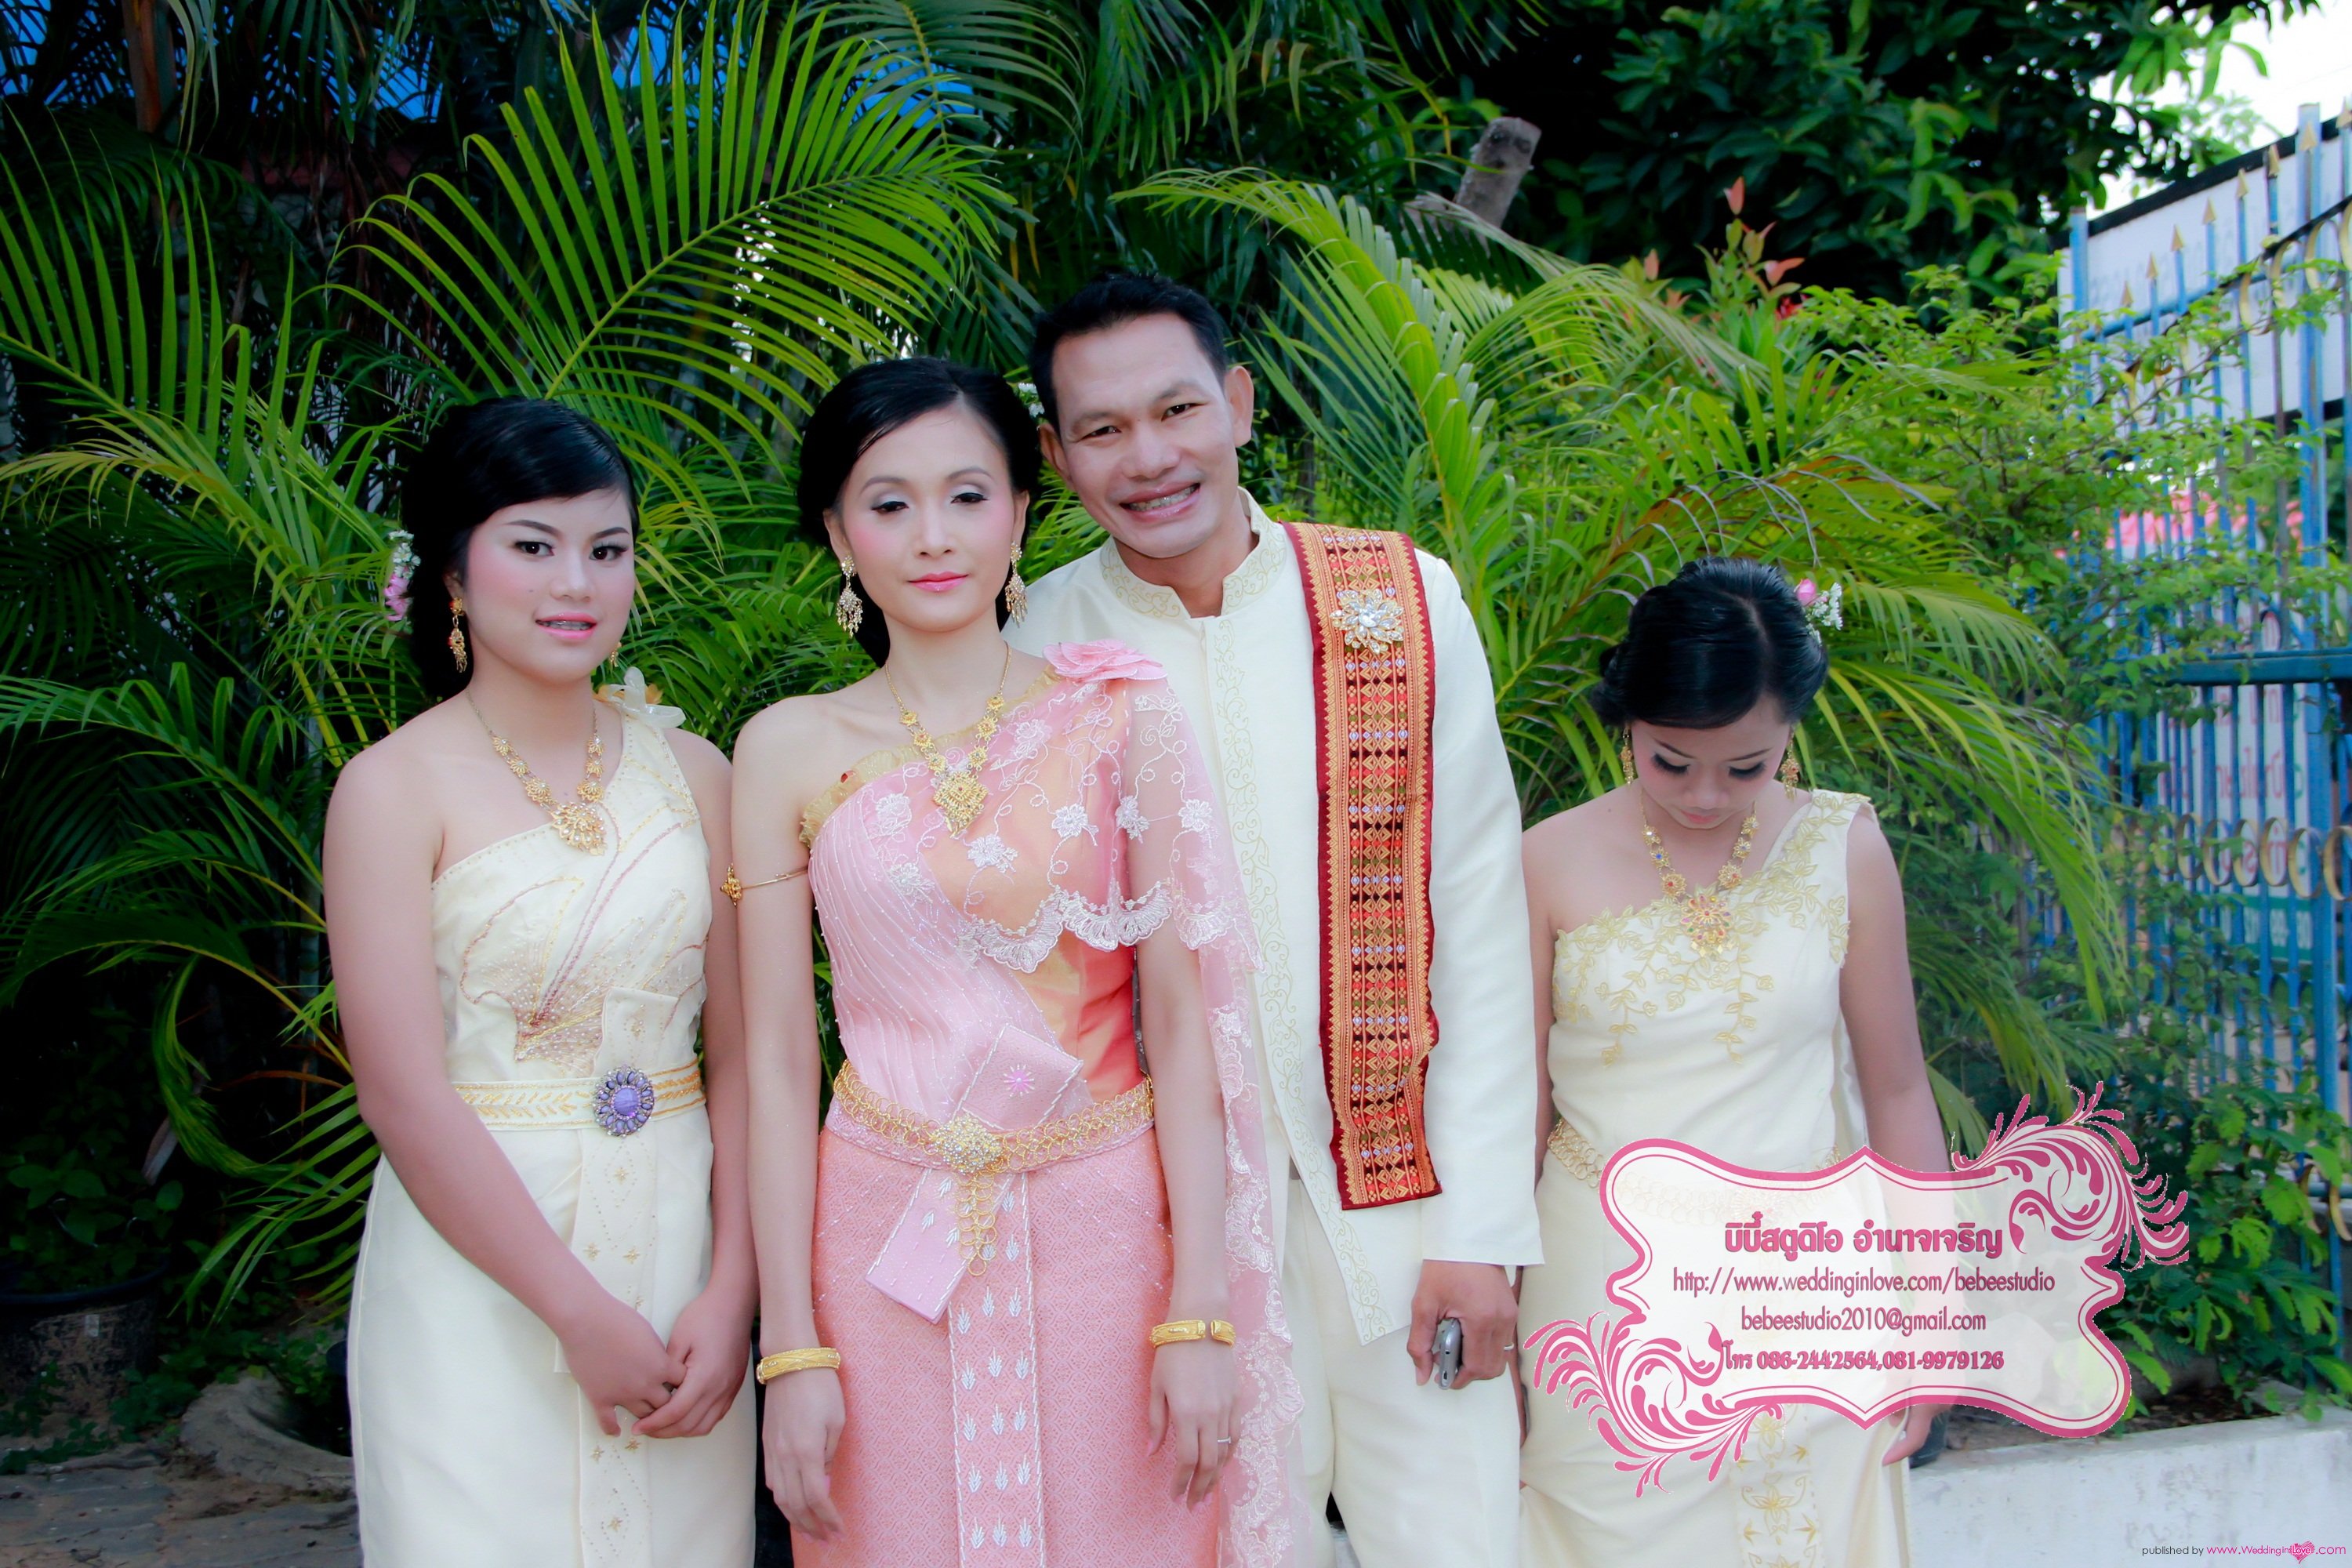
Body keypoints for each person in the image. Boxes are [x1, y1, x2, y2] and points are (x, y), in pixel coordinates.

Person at [1007, 274, 1540, 1568]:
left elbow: (1478, 917)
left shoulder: (1399, 597)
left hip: (1407, 1209)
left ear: (1239, 405)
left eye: (1178, 409)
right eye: (1103, 430)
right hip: (1174, 1245)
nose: (1150, 458)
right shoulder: (1036, 645)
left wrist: (1481, 1234)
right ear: (1056, 457)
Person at [731, 357, 1299, 1567]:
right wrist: (791, 1345)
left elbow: (1184, 1024)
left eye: (968, 496)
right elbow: (777, 1063)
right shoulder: (784, 749)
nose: (933, 537)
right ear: (836, 532)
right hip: (882, 1249)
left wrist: (1200, 1310)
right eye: (889, 504)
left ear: (1022, 511)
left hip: (1108, 1235)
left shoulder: (1118, 717)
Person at [332, 397, 756, 1566]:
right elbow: (402, 1095)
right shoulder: (391, 789)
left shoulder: (698, 774)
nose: (577, 583)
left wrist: (733, 1291)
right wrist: (574, 1312)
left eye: (607, 550)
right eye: (533, 545)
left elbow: (743, 1055)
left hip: (677, 1253)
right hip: (476, 1272)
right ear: (452, 572)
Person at [1515, 556, 1942, 1566]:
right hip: (1605, 1300)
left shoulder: (1843, 845)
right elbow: (1518, 1108)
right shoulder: (1545, 859)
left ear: (1792, 728)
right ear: (1628, 719)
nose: (1705, 796)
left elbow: (1897, 1087)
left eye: (1746, 768)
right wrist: (1492, 1286)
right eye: (1672, 762)